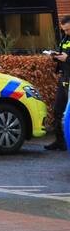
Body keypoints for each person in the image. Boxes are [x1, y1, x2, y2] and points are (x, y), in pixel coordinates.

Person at [44, 15, 70, 151]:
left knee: (68, 113)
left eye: (68, 29)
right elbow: (62, 54)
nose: (66, 32)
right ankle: (60, 141)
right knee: (57, 111)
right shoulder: (65, 38)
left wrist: (68, 59)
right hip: (64, 77)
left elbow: (67, 57)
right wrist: (55, 55)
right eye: (64, 30)